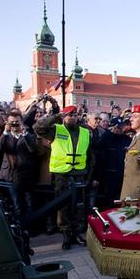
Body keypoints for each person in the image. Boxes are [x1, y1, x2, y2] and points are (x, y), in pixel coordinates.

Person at [35, 105, 92, 250]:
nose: (71, 117)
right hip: (62, 174)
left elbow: (91, 156)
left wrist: (89, 176)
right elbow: (38, 127)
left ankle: (77, 233)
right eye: (68, 114)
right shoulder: (56, 130)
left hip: (79, 173)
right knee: (63, 205)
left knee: (79, 205)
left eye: (74, 114)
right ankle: (67, 234)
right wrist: (55, 117)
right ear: (63, 116)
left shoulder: (85, 132)